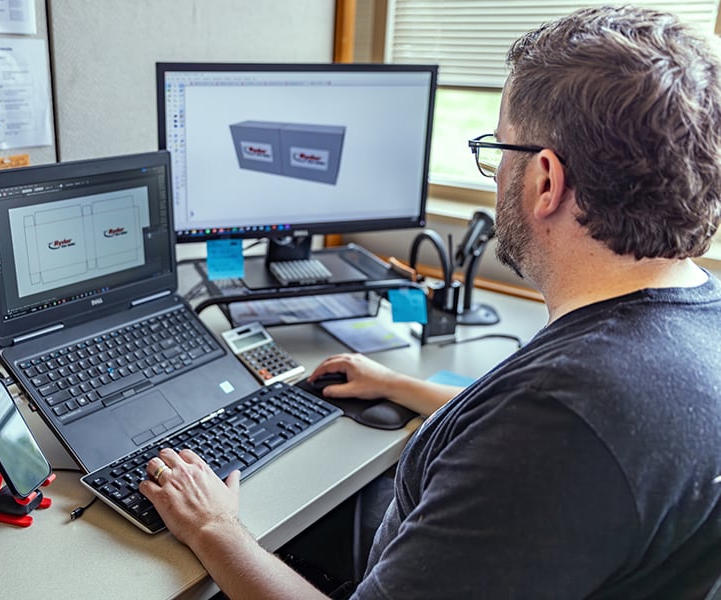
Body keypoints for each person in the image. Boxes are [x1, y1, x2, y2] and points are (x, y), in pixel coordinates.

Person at [140, 6, 721, 598]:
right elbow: (528, 424)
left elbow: (547, 433)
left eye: (499, 150)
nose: (495, 175)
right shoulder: (695, 319)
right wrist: (400, 386)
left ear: (545, 181)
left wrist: (214, 527)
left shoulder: (559, 422)